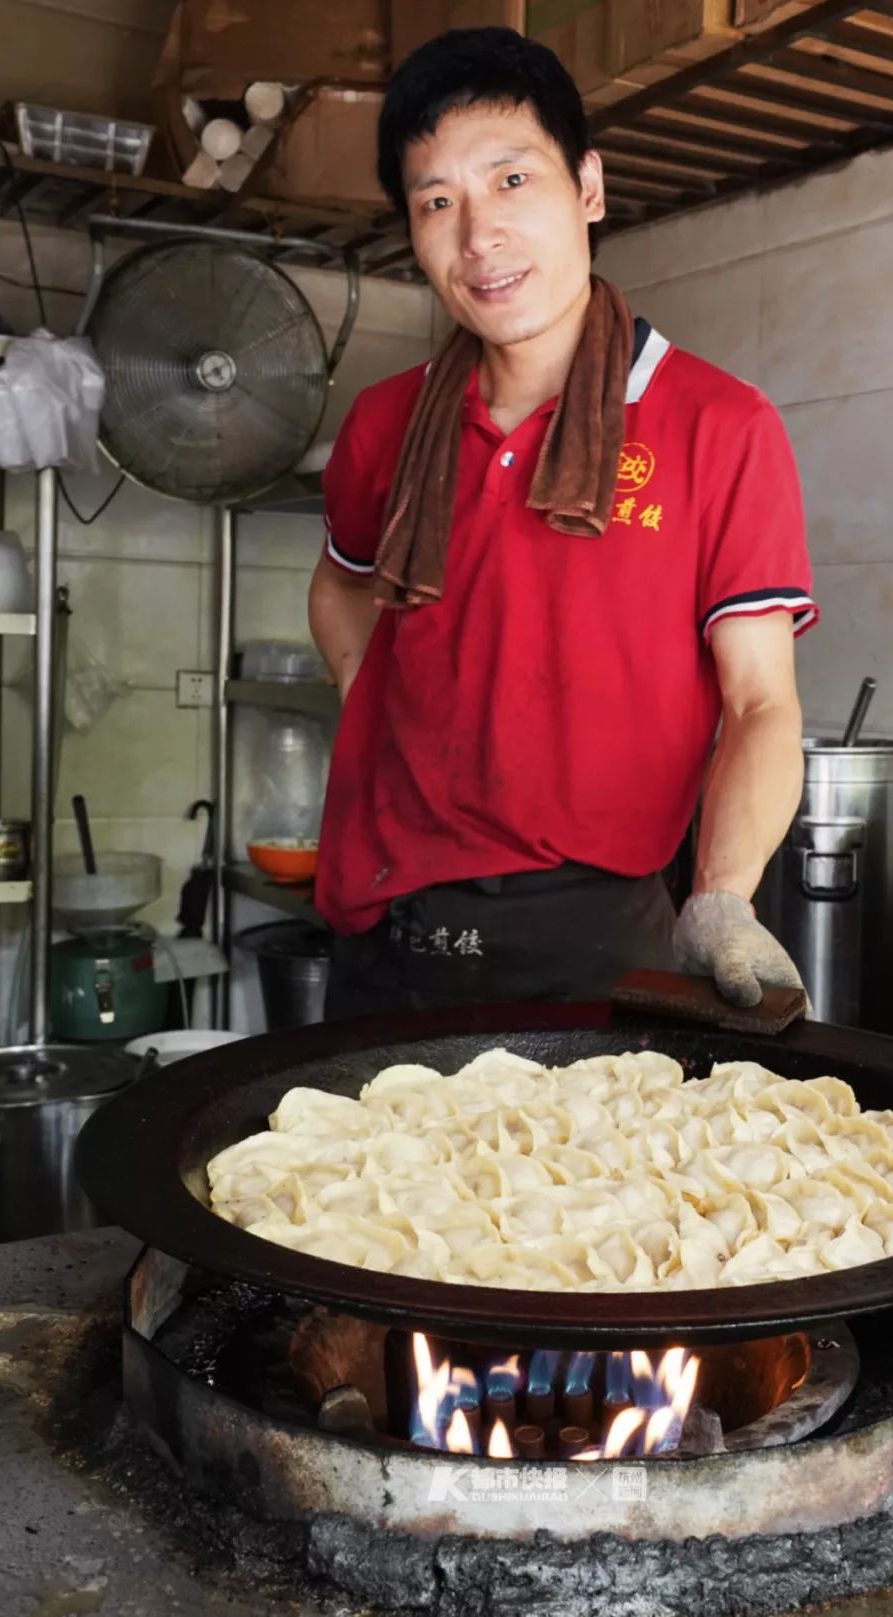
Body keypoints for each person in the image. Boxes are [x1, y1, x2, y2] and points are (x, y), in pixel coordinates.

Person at [308, 26, 817, 1017]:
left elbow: (761, 701)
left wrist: (722, 898)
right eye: (437, 202)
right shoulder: (383, 424)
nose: (478, 237)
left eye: (511, 181)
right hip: (388, 931)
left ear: (587, 186)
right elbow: (341, 583)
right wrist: (378, 704)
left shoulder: (719, 425)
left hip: (598, 937)